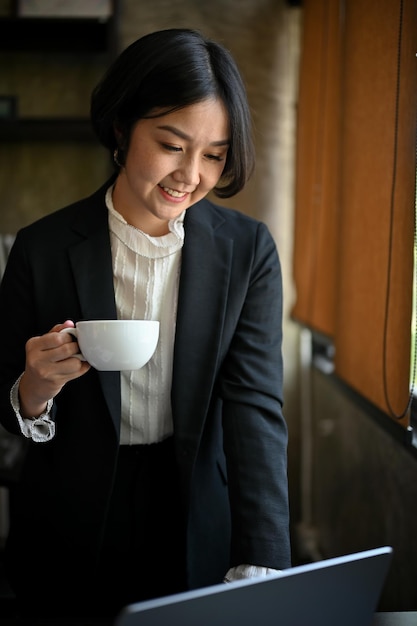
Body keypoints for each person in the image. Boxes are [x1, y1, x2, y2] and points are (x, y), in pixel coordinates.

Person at [0, 28, 291, 625]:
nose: (190, 174)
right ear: (121, 129)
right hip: (67, 519)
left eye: (213, 154)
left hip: (193, 510)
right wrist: (33, 391)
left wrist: (263, 556)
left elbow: (255, 407)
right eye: (171, 143)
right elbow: (5, 401)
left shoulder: (247, 250)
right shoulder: (44, 247)